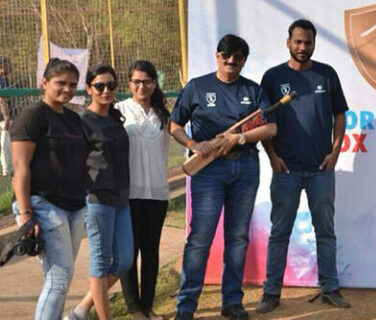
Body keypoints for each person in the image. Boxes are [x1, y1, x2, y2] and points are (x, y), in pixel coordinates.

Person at [170, 34, 276, 320]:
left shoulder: (252, 90)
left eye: (238, 58)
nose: (231, 62)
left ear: (244, 60)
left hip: (245, 167)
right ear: (217, 55)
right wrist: (193, 145)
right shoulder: (197, 87)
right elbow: (175, 125)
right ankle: (186, 306)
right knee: (200, 238)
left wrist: (239, 138)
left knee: (238, 237)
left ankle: (232, 302)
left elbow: (270, 129)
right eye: (226, 56)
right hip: (208, 169)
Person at [256, 19, 350, 314]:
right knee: (280, 231)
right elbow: (263, 120)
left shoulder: (326, 74)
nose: (302, 47)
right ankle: (271, 292)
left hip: (321, 169)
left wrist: (335, 151)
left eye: (307, 42)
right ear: (288, 42)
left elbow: (340, 115)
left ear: (314, 43)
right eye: (297, 41)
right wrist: (272, 156)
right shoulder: (272, 78)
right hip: (286, 171)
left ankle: (330, 288)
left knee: (325, 230)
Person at [10, 58, 89, 320]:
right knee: (59, 278)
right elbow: (20, 167)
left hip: (75, 206)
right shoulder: (33, 116)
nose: (67, 89)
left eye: (72, 85)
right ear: (44, 83)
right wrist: (24, 213)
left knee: (60, 277)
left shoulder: (73, 119)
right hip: (44, 204)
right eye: (60, 83)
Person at [66, 65, 133, 320]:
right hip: (98, 199)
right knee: (101, 262)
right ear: (89, 89)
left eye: (111, 86)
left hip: (121, 198)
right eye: (100, 86)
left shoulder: (114, 117)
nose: (106, 91)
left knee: (124, 260)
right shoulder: (83, 121)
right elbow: (75, 161)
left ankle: (82, 309)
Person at [118, 60, 171, 320]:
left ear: (154, 83)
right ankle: (133, 308)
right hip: (129, 194)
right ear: (129, 83)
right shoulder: (118, 111)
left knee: (151, 250)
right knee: (129, 251)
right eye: (136, 81)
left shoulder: (163, 114)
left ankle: (148, 305)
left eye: (147, 81)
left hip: (157, 193)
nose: (141, 86)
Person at [1, 56, 13, 177]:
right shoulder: (1, 79)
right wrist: (6, 116)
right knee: (5, 143)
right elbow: (2, 98)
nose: (11, 67)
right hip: (1, 118)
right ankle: (7, 170)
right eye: (8, 64)